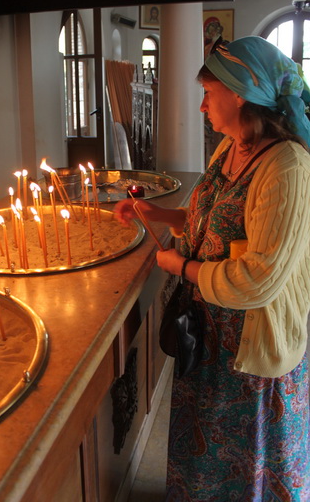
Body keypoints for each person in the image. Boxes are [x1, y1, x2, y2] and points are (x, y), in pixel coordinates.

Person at [115, 36, 310, 501]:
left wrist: (180, 266)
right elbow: (213, 220)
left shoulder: (286, 168)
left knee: (248, 461)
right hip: (210, 336)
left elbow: (259, 279)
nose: (202, 106)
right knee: (206, 456)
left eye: (208, 93)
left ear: (240, 93)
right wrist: (158, 215)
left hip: (250, 349)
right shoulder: (231, 147)